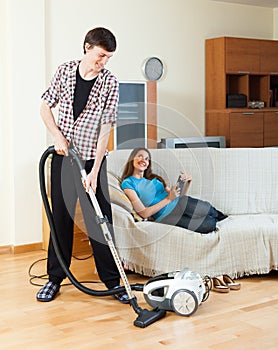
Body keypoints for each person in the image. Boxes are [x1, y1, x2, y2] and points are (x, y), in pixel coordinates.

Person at [37, 27, 129, 304]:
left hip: (93, 160)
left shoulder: (110, 82)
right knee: (61, 219)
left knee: (99, 221)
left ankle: (113, 282)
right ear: (87, 47)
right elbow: (44, 106)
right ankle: (55, 278)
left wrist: (95, 170)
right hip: (64, 158)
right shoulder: (65, 72)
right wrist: (57, 136)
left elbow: (106, 127)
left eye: (108, 58)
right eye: (101, 55)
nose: (103, 62)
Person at [121, 148, 228, 234]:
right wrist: (168, 199)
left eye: (147, 158)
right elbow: (144, 213)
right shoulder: (128, 183)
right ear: (132, 159)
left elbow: (177, 195)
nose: (143, 160)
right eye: (140, 156)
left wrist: (187, 183)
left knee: (208, 209)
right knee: (209, 224)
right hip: (167, 217)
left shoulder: (154, 178)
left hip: (179, 203)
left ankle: (223, 218)